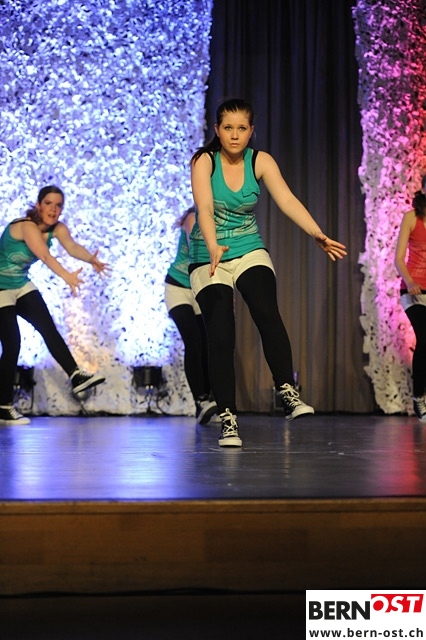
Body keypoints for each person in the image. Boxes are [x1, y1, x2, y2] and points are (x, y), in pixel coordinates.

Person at [189, 98, 347, 447]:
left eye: (241, 128)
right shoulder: (204, 161)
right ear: (217, 130)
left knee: (265, 308)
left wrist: (316, 233)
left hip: (248, 248)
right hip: (208, 254)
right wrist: (213, 245)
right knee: (221, 332)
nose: (234, 135)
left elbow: (287, 200)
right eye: (227, 128)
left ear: (251, 131)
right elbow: (203, 208)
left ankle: (286, 390)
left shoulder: (260, 161)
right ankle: (228, 419)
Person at [0, 185, 109, 426]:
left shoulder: (57, 228)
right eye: (48, 203)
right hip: (0, 288)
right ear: (38, 205)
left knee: (48, 328)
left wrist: (91, 259)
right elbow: (45, 255)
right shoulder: (26, 226)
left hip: (20, 284)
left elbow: (72, 247)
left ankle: (76, 375)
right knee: (12, 343)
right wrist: (67, 276)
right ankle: (3, 407)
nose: (53, 209)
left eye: (58, 205)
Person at [165, 206, 218, 424]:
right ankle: (200, 399)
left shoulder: (222, 221)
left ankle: (208, 403)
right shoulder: (193, 217)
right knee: (193, 341)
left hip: (200, 287)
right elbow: (196, 244)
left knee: (207, 344)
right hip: (178, 286)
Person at [395, 175, 426, 422]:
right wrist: (411, 282)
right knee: (424, 337)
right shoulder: (411, 218)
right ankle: (418, 397)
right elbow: (398, 258)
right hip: (413, 291)